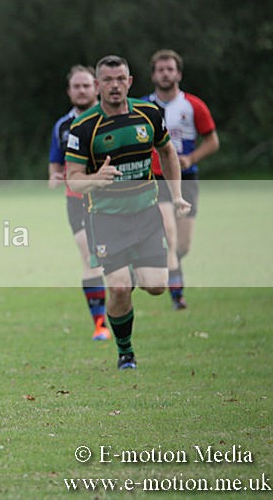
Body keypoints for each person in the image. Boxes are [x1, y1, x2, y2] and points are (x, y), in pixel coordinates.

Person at [65, 55, 191, 370]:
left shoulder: (149, 114)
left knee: (156, 286)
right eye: (108, 80)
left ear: (130, 82)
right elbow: (74, 179)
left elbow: (167, 152)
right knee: (120, 288)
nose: (115, 86)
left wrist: (176, 195)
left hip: (146, 214)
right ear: (98, 85)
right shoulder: (84, 127)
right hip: (105, 219)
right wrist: (97, 178)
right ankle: (126, 353)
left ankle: (129, 272)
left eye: (120, 79)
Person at [145, 50, 219, 310]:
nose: (165, 74)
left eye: (170, 69)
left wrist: (191, 158)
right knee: (169, 233)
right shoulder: (143, 108)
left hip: (187, 179)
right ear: (153, 75)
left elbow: (213, 141)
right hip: (156, 178)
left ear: (179, 73)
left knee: (182, 245)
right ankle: (178, 296)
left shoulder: (193, 105)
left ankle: (158, 262)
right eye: (160, 69)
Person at [48, 65, 110, 341]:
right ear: (69, 91)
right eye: (77, 86)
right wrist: (54, 177)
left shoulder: (111, 118)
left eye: (86, 85)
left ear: (96, 87)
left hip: (115, 200)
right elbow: (55, 164)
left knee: (116, 261)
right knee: (90, 258)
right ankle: (100, 324)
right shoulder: (62, 126)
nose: (82, 91)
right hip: (77, 200)